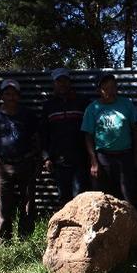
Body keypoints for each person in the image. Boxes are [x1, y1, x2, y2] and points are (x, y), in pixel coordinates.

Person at [0, 79, 41, 244]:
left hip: (26, 163)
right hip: (2, 165)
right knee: (1, 204)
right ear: (1, 95)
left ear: (19, 96)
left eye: (14, 94)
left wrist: (38, 161)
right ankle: (3, 241)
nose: (11, 97)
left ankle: (26, 238)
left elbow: (37, 139)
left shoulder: (28, 115)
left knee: (28, 202)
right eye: (7, 93)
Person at [81, 73, 137, 203]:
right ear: (99, 90)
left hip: (125, 157)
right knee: (105, 197)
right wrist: (94, 162)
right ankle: (107, 224)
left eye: (113, 87)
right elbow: (88, 136)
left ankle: (128, 223)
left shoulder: (126, 104)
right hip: (103, 158)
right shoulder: (92, 109)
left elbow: (136, 131)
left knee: (127, 195)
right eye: (106, 88)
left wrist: (136, 156)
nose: (110, 91)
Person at [41, 68, 91, 205]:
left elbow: (90, 131)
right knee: (63, 197)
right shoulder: (48, 106)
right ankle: (64, 226)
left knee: (80, 197)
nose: (62, 84)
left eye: (65, 81)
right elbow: (44, 133)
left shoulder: (83, 102)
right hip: (58, 161)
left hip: (81, 159)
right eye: (59, 81)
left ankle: (80, 226)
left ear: (70, 83)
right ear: (54, 84)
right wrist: (46, 157)